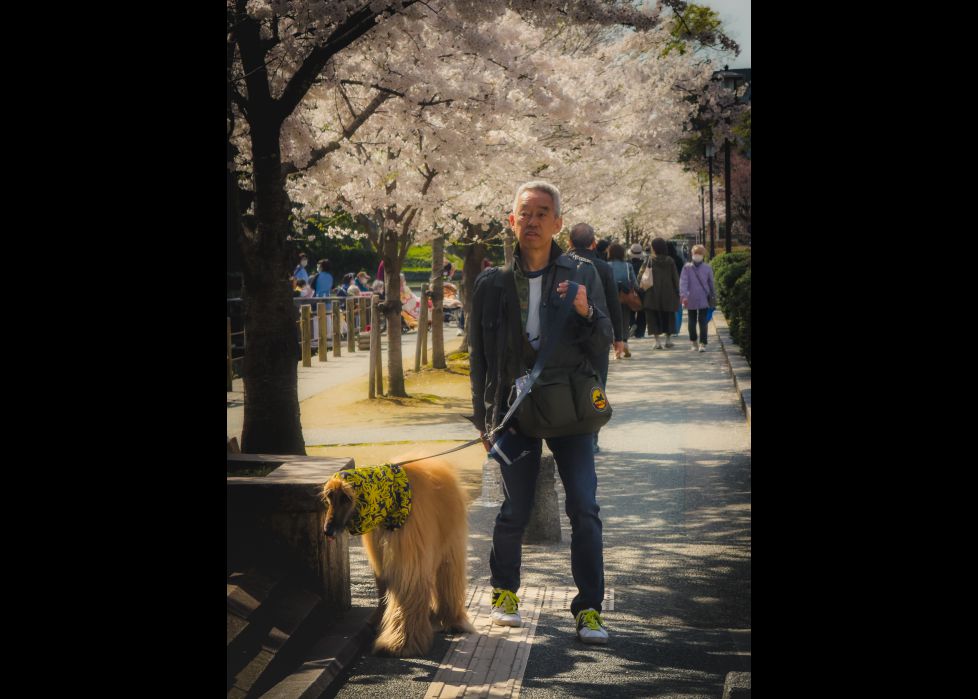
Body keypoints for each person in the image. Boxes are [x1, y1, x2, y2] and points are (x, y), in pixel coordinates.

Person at [469, 180, 612, 644]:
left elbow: (602, 342)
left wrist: (588, 312)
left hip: (570, 409)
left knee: (585, 508)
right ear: (511, 221)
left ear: (558, 223)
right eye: (523, 213)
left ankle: (589, 609)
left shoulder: (582, 273)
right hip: (513, 411)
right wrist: (484, 421)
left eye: (542, 213)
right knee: (515, 508)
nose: (531, 221)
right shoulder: (491, 283)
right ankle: (504, 593)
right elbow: (479, 360)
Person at [569, 223, 619, 454]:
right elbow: (612, 305)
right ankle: (592, 437)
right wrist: (619, 337)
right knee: (597, 385)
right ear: (594, 243)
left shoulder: (561, 265)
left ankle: (575, 434)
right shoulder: (603, 267)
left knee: (570, 385)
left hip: (570, 337)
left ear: (569, 243)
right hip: (599, 336)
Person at [640, 237, 680, 349]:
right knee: (669, 317)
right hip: (669, 294)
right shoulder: (670, 261)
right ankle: (668, 340)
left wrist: (641, 288)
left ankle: (657, 342)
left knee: (653, 317)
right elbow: (675, 277)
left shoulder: (649, 260)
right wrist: (678, 291)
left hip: (652, 293)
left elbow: (641, 275)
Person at [679, 244, 716, 352]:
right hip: (701, 297)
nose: (697, 255)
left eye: (699, 253)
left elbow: (683, 283)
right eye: (696, 253)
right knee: (701, 321)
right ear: (692, 254)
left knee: (693, 320)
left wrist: (684, 295)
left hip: (692, 297)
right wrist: (713, 295)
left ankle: (695, 342)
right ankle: (701, 343)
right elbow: (711, 284)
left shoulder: (686, 268)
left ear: (703, 255)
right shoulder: (707, 267)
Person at [607, 242, 636, 359]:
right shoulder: (627, 265)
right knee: (625, 320)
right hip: (625, 296)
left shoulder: (606, 265)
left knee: (613, 322)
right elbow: (634, 281)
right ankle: (625, 344)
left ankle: (616, 350)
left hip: (610, 296)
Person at [628, 243, 647, 339]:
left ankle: (632, 323)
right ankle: (640, 332)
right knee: (642, 311)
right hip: (643, 289)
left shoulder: (627, 264)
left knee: (630, 308)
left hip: (630, 289)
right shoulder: (644, 264)